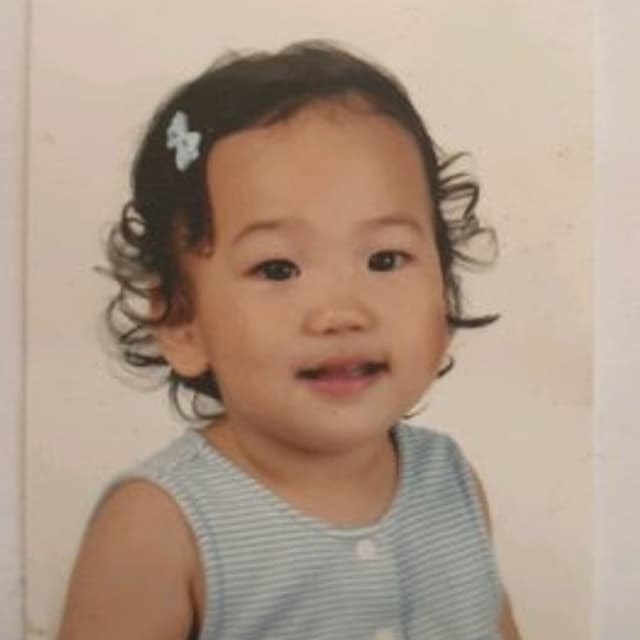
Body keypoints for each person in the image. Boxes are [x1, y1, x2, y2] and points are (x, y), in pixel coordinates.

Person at [58, 41, 521, 640]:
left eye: (385, 259)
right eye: (277, 269)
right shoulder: (160, 526)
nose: (341, 313)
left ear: (446, 290)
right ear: (181, 322)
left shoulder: (451, 482)